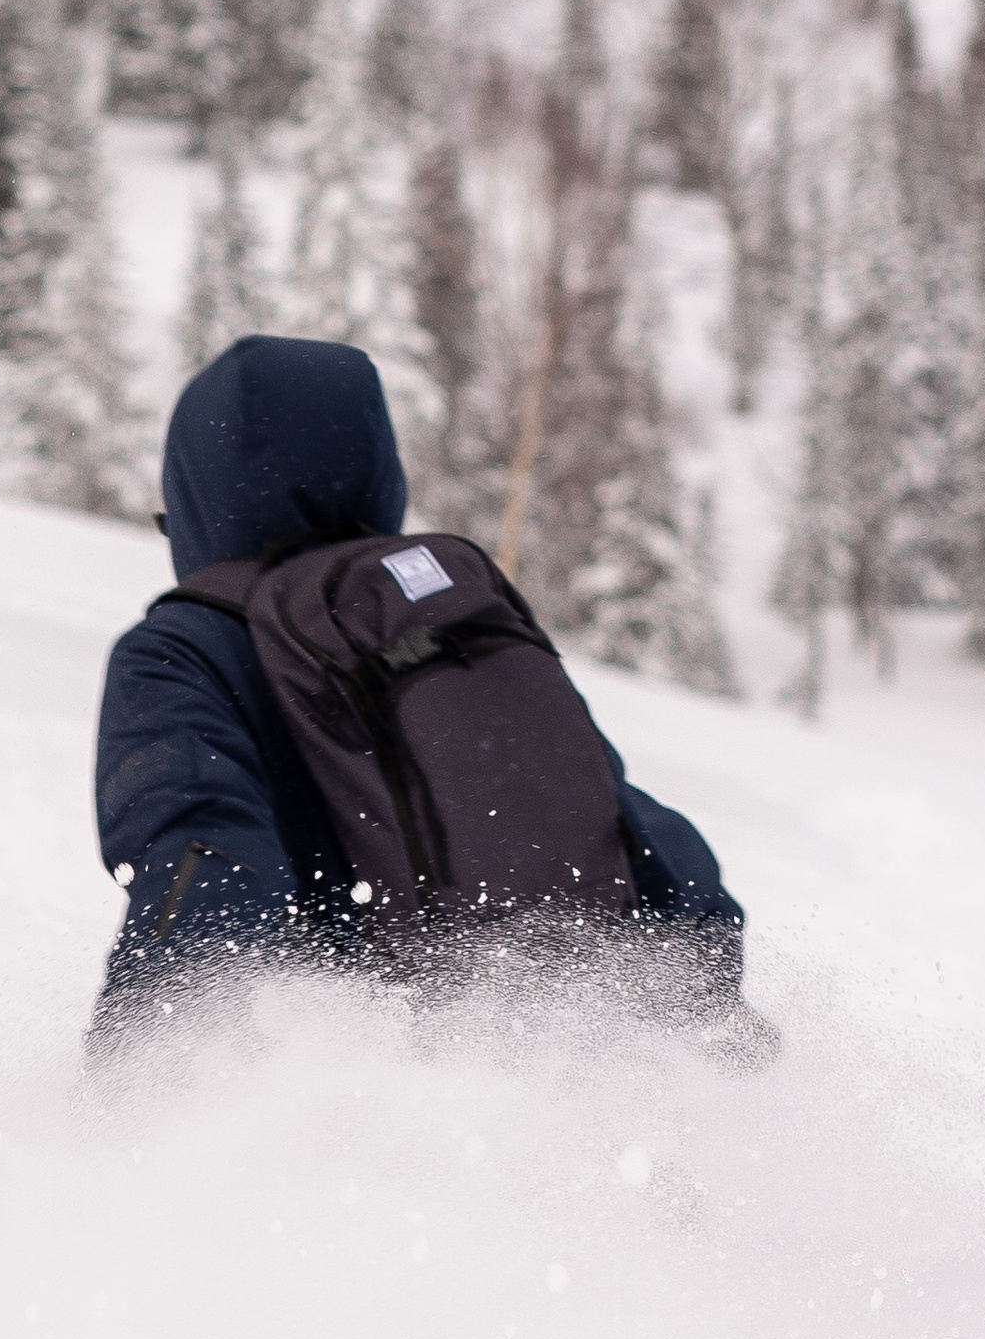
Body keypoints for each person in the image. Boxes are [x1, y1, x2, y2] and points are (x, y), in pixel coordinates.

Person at [91, 331, 759, 1043]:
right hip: (570, 1056)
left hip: (369, 1075)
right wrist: (706, 1033)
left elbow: (206, 863)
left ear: (196, 498)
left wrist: (140, 1073)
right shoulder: (449, 608)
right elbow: (622, 820)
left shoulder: (185, 649)